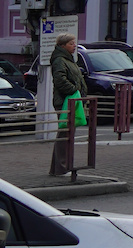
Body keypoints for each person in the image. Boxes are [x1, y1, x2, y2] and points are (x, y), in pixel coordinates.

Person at [46, 34, 84, 176]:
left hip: (72, 100)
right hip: (64, 101)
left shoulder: (68, 59)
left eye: (74, 43)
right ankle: (62, 167)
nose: (74, 46)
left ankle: (58, 168)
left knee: (67, 133)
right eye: (71, 43)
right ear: (63, 46)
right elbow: (60, 80)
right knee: (65, 134)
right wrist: (74, 90)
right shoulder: (60, 60)